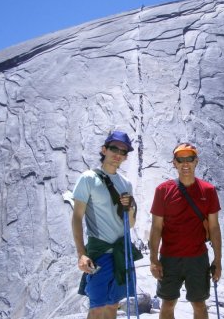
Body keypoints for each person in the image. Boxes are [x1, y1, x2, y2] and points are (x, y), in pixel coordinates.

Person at [149, 142, 222, 319]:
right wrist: (153, 259)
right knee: (167, 304)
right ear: (174, 163)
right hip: (169, 257)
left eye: (189, 158)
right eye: (180, 159)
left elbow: (214, 227)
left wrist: (218, 260)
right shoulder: (163, 190)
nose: (185, 163)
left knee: (199, 305)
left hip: (197, 258)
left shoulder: (209, 190)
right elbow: (156, 227)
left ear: (196, 161)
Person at [72, 131, 137, 319]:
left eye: (123, 151)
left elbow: (130, 224)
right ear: (104, 150)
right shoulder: (88, 178)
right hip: (99, 252)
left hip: (121, 252)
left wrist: (130, 209)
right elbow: (77, 217)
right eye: (114, 148)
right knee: (97, 307)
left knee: (113, 305)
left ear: (125, 157)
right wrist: (81, 253)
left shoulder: (126, 184)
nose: (118, 154)